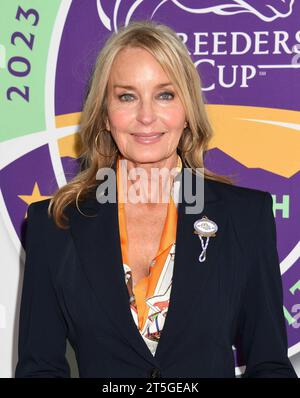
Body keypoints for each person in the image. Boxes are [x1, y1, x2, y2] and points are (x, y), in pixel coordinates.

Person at [15, 20, 297, 378]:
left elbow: (269, 365)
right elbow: (39, 368)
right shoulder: (54, 224)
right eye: (127, 96)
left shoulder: (246, 217)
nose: (146, 116)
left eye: (165, 95)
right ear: (104, 115)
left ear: (188, 111)